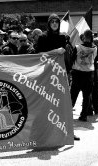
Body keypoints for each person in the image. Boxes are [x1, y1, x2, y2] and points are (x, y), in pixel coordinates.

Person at [36, 13, 80, 141]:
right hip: (47, 74)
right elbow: (39, 54)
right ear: (49, 24)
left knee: (65, 103)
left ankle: (69, 132)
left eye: (56, 21)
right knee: (48, 103)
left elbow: (70, 54)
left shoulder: (64, 37)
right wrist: (55, 52)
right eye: (52, 22)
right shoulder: (43, 37)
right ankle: (46, 133)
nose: (55, 23)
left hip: (63, 74)